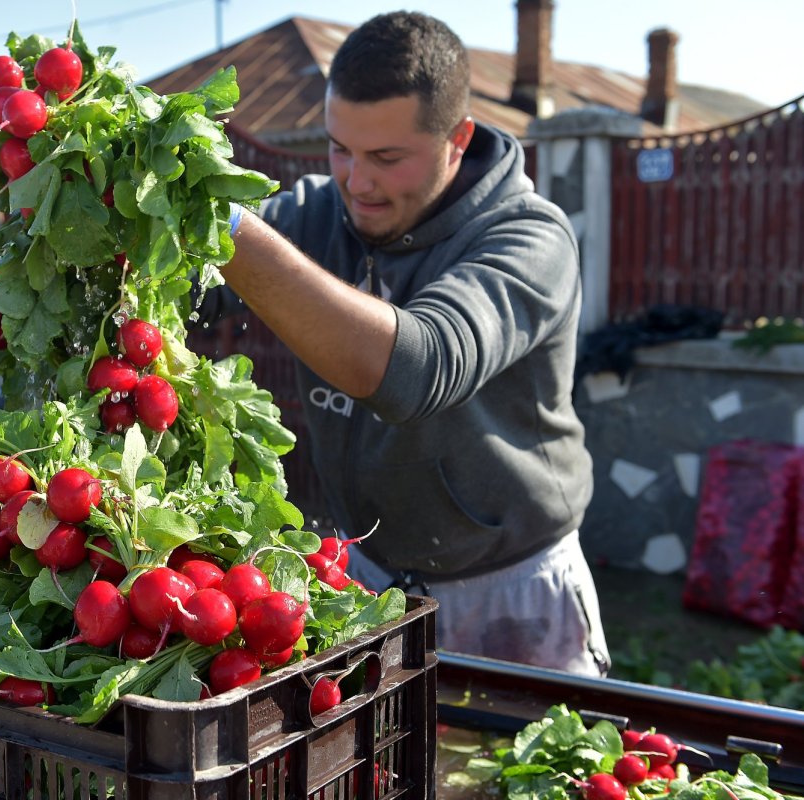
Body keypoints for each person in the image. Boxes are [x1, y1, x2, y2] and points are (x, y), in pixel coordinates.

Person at [214, 10, 610, 676]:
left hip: (509, 591)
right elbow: (189, 287)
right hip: (366, 578)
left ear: (457, 139)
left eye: (387, 158)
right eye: (339, 148)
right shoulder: (314, 214)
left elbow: (416, 370)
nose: (356, 182)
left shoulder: (529, 238)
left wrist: (222, 222)